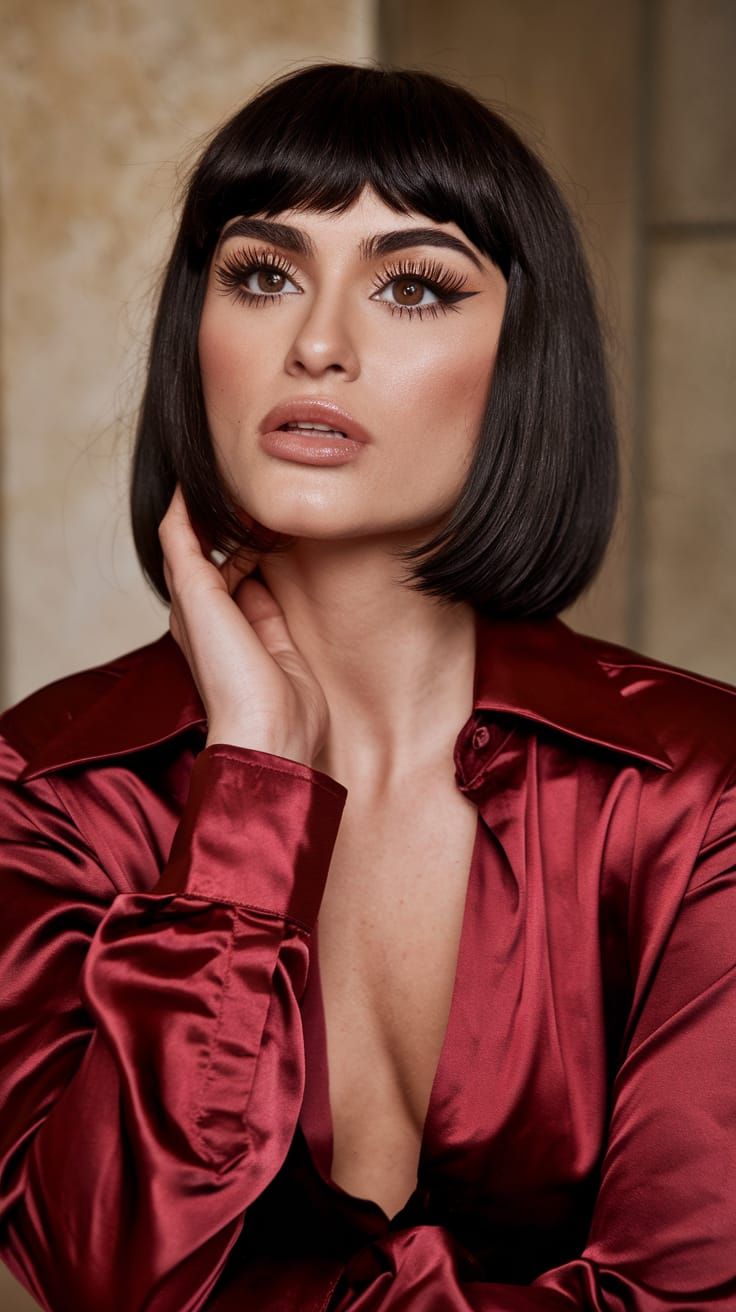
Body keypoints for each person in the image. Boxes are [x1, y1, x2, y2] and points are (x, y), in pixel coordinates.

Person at [0, 58, 734, 1312]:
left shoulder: (697, 796)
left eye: (412, 286)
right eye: (263, 274)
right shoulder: (48, 787)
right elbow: (105, 1266)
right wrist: (250, 783)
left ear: (523, 362)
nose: (317, 344)